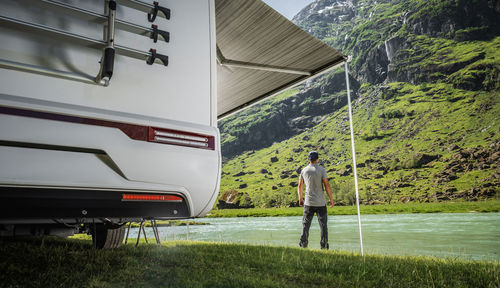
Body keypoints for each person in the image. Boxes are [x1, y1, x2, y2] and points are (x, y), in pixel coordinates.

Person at [297, 151, 334, 249]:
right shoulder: (322, 170)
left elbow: (300, 186)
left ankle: (303, 245)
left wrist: (300, 199)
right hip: (321, 203)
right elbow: (327, 185)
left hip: (308, 203)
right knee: (323, 226)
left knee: (305, 225)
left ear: (309, 159)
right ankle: (324, 246)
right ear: (317, 159)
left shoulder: (304, 170)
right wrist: (331, 199)